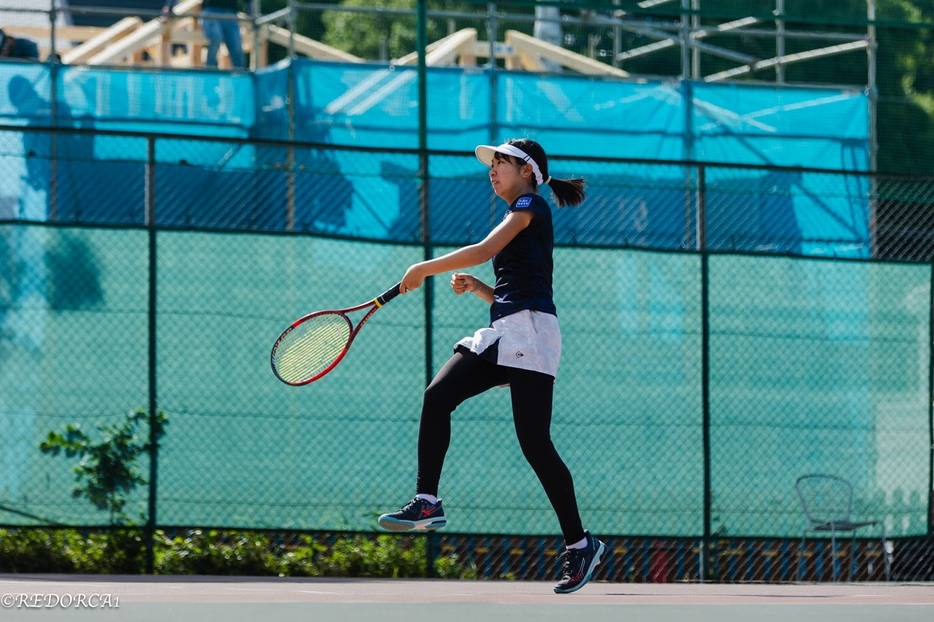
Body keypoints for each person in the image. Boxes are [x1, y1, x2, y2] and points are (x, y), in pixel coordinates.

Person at [378, 138, 607, 594]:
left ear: (527, 172)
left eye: (502, 161)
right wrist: (484, 290)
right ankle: (426, 501)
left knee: (535, 443)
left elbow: (484, 250)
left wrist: (423, 267)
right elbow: (517, 285)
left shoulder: (529, 206)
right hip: (513, 329)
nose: (493, 169)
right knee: (438, 396)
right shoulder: (521, 213)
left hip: (530, 333)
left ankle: (581, 545)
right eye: (492, 163)